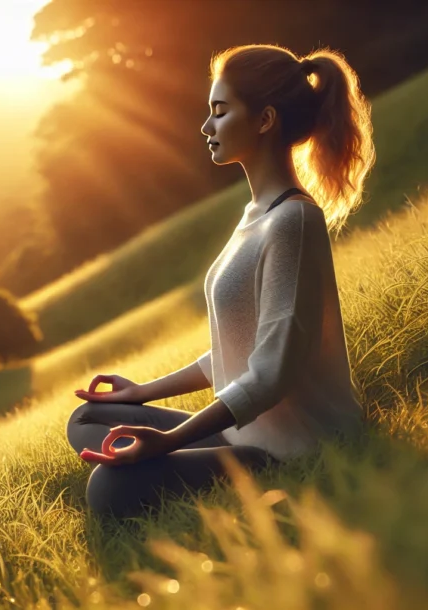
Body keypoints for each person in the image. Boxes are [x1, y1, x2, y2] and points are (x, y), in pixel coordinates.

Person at [64, 43, 376, 519]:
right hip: (239, 432)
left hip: (290, 449)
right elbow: (237, 349)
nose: (206, 127)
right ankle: (185, 458)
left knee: (108, 489)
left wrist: (169, 440)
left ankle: (215, 474)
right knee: (89, 417)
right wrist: (141, 392)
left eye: (220, 111)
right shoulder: (257, 212)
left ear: (265, 119)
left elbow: (270, 373)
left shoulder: (292, 221)